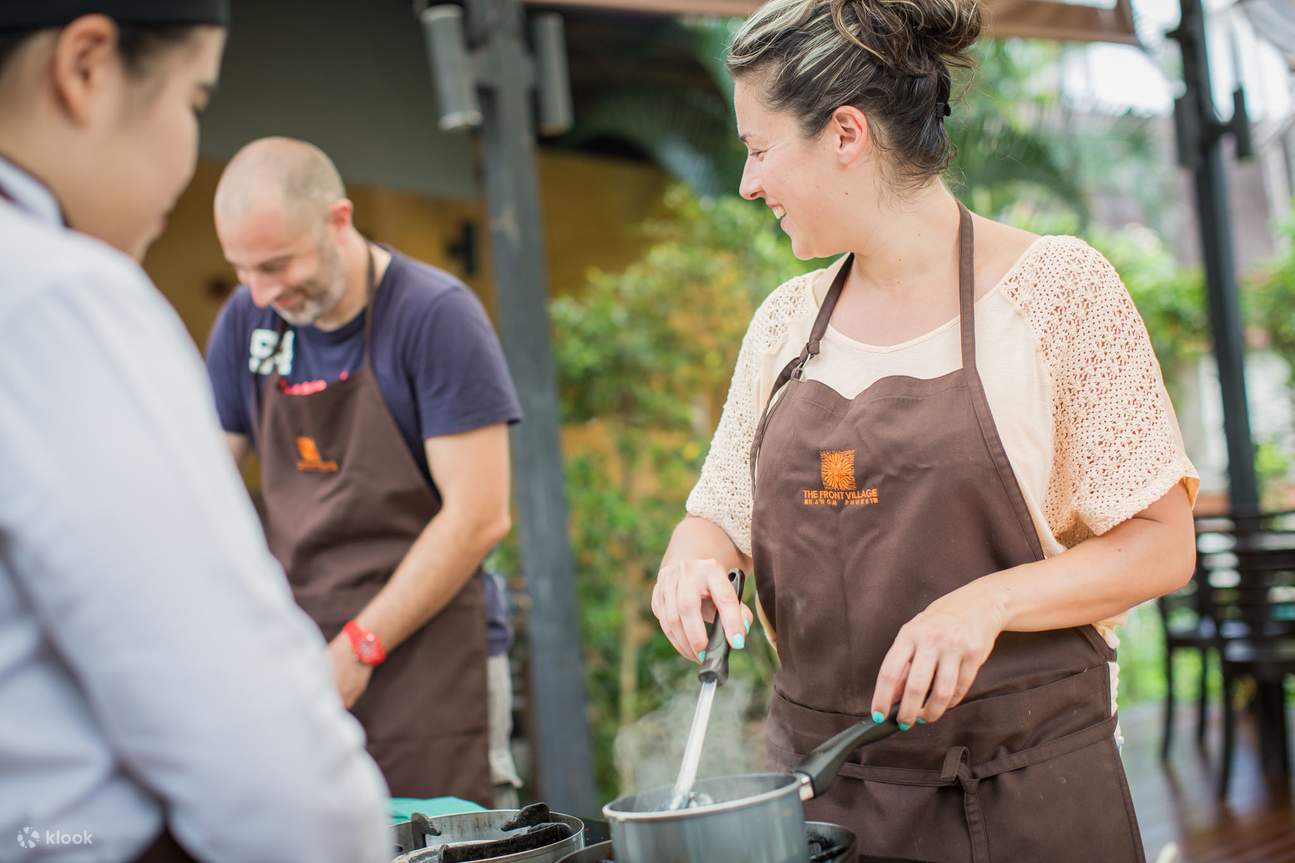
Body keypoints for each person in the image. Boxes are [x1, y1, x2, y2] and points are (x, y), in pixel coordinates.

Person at [652, 1, 1200, 860]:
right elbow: (717, 517)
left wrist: (988, 602)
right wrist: (690, 563)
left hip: (1024, 803)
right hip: (820, 811)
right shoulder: (784, 324)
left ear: (844, 134)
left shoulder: (1058, 291)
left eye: (758, 150)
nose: (747, 184)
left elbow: (1162, 545)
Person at [0, 4, 390, 863]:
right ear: (87, 67)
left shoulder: (428, 312)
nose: (258, 292)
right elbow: (263, 762)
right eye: (193, 99)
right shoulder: (62, 296)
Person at [205, 137, 523, 805]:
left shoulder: (433, 315)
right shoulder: (248, 322)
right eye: (243, 269)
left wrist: (358, 648)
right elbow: (202, 492)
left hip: (428, 664)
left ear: (338, 220)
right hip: (299, 657)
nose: (262, 291)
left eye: (277, 263)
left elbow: (478, 515)